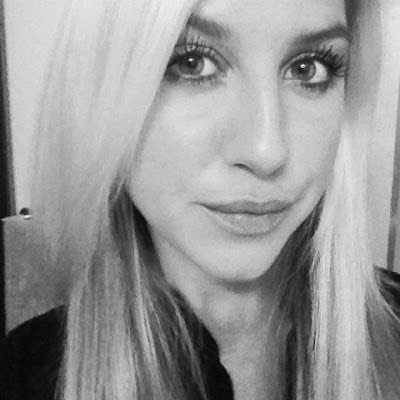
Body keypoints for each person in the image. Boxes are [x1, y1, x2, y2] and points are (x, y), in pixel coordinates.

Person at [4, 0, 400, 399]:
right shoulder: (25, 377)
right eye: (192, 63)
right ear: (101, 95)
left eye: (308, 69)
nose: (267, 152)